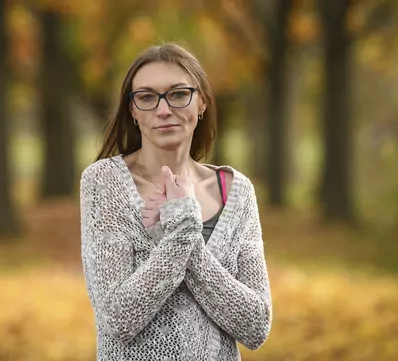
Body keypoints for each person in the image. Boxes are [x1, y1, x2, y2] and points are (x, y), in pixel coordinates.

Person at [79, 42, 272, 361]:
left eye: (179, 93)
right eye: (146, 97)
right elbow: (117, 319)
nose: (163, 109)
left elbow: (255, 326)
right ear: (133, 110)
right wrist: (182, 233)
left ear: (202, 102)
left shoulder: (236, 192)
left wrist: (183, 229)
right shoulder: (105, 182)